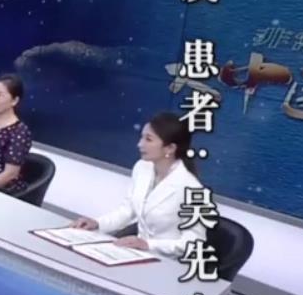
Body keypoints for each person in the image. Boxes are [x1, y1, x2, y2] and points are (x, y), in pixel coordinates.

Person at [70, 111, 209, 258]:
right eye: (141, 137)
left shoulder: (192, 188)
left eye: (148, 139)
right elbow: (128, 210)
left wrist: (149, 245)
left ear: (170, 148)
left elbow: (194, 242)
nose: (139, 144)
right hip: (135, 254)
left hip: (168, 262)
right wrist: (97, 223)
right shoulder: (142, 167)